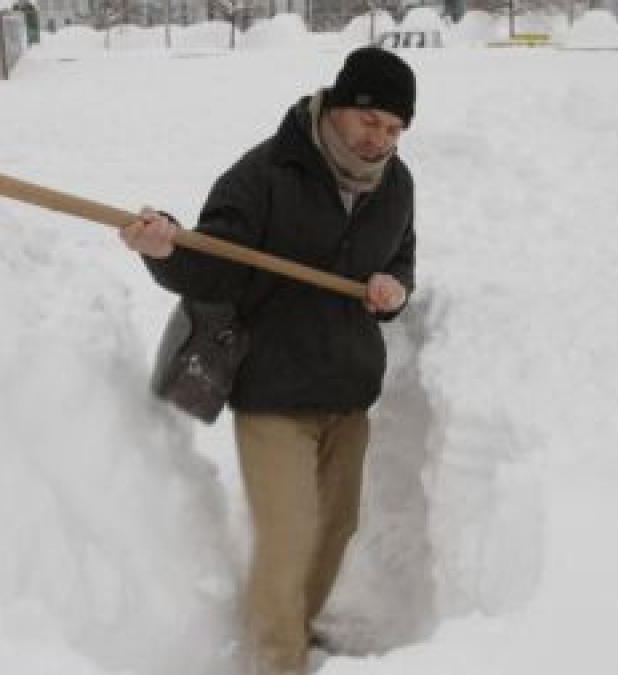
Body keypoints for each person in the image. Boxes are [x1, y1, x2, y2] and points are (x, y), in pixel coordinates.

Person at [120, 47, 417, 675]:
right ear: (337, 106)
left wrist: (395, 289)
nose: (380, 140)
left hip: (349, 390)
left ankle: (293, 626)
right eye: (369, 121)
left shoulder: (396, 183)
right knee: (287, 536)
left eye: (394, 129)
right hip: (275, 391)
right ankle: (276, 662)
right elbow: (214, 265)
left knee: (334, 530)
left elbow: (401, 257)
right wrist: (166, 250)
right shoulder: (265, 173)